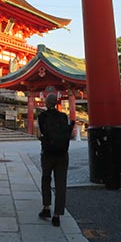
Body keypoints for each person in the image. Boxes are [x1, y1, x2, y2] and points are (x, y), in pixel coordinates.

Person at [37, 92, 75, 227]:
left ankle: (46, 207)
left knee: (46, 178)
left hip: (47, 153)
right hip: (62, 154)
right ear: (56, 103)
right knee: (60, 183)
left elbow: (39, 134)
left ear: (47, 103)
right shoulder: (63, 117)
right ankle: (57, 215)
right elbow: (70, 135)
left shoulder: (42, 117)